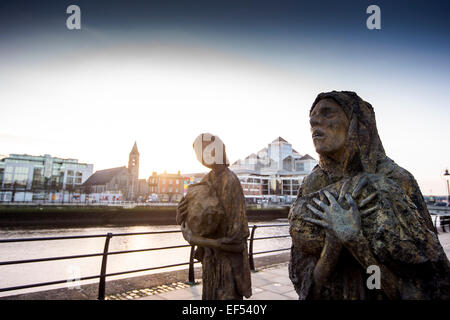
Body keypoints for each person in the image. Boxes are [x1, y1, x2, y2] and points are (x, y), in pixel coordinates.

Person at [289, 91, 450, 299]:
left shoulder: (395, 180)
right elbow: (311, 286)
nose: (314, 121)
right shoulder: (312, 184)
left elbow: (420, 290)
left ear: (357, 124)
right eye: (312, 117)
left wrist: (356, 244)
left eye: (328, 113)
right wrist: (332, 245)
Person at [177, 133, 252, 300]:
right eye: (198, 152)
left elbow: (236, 244)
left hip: (227, 270)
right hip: (210, 265)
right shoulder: (206, 179)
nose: (200, 156)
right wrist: (183, 217)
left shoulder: (230, 181)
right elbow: (195, 222)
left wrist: (195, 239)